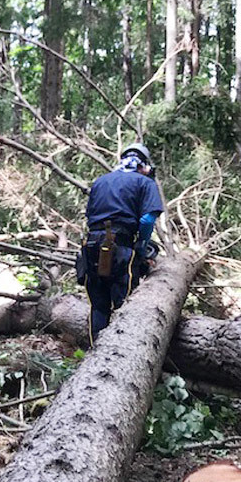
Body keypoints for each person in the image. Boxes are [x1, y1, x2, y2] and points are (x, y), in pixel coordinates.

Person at [79, 143, 164, 346]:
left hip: (91, 245)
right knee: (123, 305)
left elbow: (89, 215)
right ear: (143, 165)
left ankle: (95, 354)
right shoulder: (144, 182)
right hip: (121, 247)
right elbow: (147, 220)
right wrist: (141, 245)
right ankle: (119, 353)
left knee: (98, 306)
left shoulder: (100, 182)